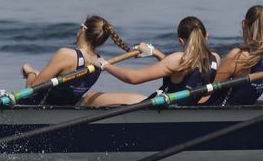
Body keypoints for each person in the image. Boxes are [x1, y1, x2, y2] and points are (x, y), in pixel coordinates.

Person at [0, 14, 136, 106]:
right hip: (60, 108)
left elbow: (32, 89)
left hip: (32, 107)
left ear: (82, 30)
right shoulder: (100, 62)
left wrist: (30, 71)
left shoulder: (66, 54)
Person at [89, 16, 219, 106]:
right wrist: (154, 52)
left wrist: (105, 65)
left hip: (159, 109)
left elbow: (133, 78)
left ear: (181, 41)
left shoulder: (177, 59)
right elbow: (181, 71)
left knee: (90, 99)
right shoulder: (215, 59)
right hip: (178, 107)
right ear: (206, 36)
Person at [207, 5, 263, 106]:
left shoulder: (237, 56)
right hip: (242, 111)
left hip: (218, 112)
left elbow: (210, 91)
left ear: (244, 24)